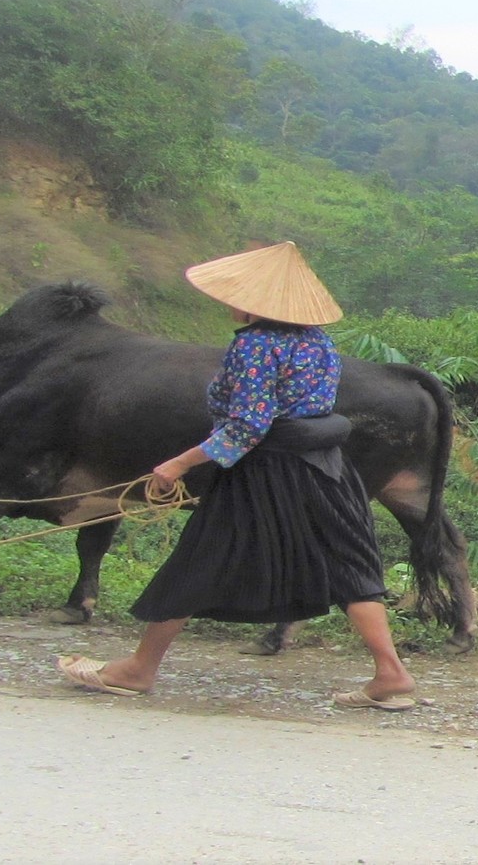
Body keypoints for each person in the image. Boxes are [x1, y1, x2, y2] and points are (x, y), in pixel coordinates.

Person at [57, 241, 418, 711]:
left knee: (200, 559)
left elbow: (249, 425)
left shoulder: (254, 345)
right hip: (327, 467)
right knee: (348, 564)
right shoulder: (318, 342)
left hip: (267, 473)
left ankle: (139, 668)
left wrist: (179, 463)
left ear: (255, 302)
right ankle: (391, 673)